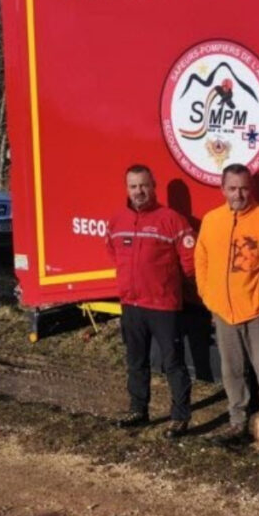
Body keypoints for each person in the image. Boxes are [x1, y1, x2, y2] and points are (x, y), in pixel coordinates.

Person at [195, 163, 259, 442]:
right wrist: (208, 296)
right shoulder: (212, 220)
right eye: (232, 188)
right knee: (232, 372)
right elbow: (201, 260)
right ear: (222, 189)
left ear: (251, 189)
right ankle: (237, 424)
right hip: (224, 312)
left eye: (243, 188)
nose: (238, 194)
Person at [106, 164, 195, 439]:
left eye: (144, 185)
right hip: (131, 304)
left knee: (173, 363)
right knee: (136, 361)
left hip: (163, 305)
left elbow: (190, 263)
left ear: (154, 186)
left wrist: (167, 283)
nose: (139, 191)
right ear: (127, 189)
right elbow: (111, 250)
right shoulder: (118, 220)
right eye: (133, 186)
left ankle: (180, 417)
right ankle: (138, 410)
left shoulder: (172, 219)